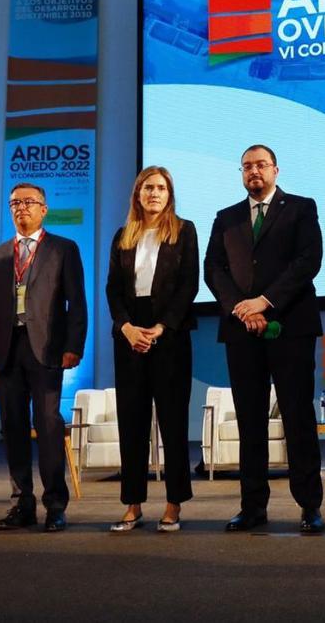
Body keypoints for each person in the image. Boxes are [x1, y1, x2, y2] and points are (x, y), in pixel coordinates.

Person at [203, 144, 325, 534]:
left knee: (297, 418)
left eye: (261, 165)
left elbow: (309, 261)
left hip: (291, 328)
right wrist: (241, 307)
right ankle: (252, 507)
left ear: (276, 169)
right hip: (241, 332)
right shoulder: (226, 217)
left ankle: (309, 507)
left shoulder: (302, 207)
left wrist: (264, 302)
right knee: (250, 423)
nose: (254, 172)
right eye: (247, 167)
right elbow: (213, 269)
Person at [0, 182, 87, 533]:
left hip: (47, 349)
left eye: (28, 202)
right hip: (5, 351)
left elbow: (76, 303)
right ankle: (22, 503)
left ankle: (55, 505)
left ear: (44, 209)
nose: (21, 208)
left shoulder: (63, 249)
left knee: (49, 425)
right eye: (14, 203)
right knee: (13, 427)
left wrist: (74, 346)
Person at [104, 166, 198, 532]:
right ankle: (133, 504)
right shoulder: (122, 236)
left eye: (160, 188)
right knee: (132, 423)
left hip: (170, 334)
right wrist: (126, 327)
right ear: (137, 194)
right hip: (129, 335)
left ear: (169, 194)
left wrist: (161, 327)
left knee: (173, 423)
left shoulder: (184, 231)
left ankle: (173, 504)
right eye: (147, 188)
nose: (154, 193)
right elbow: (113, 289)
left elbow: (188, 284)